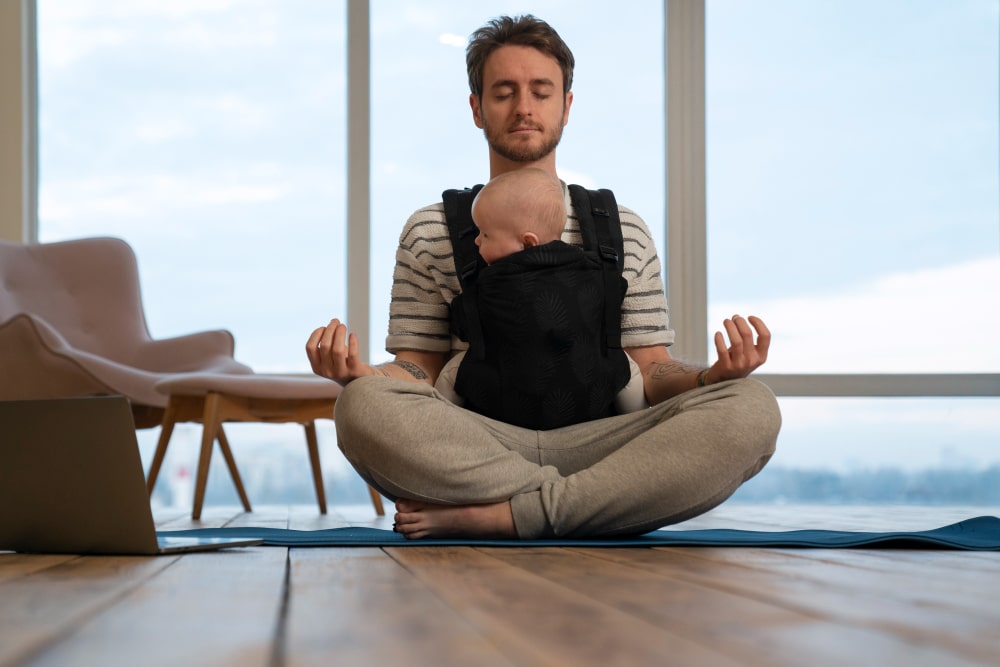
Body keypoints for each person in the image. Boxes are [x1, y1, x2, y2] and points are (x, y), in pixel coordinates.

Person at [307, 14, 780, 540]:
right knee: (359, 407)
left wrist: (713, 377)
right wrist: (359, 374)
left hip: (606, 441)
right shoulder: (430, 230)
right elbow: (418, 375)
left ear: (567, 106)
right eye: (504, 92)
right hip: (482, 443)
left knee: (751, 408)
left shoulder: (623, 228)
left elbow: (652, 374)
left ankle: (510, 515)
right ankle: (592, 504)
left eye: (541, 91)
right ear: (477, 108)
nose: (524, 108)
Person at [436, 166, 649, 414]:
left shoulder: (488, 283)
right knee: (628, 370)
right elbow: (611, 305)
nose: (476, 241)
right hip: (587, 385)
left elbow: (464, 323)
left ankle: (439, 423)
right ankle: (639, 421)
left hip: (505, 396)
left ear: (528, 242)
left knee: (452, 373)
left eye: (485, 234)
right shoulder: (593, 270)